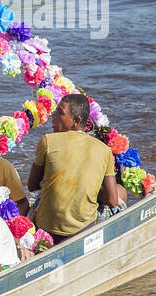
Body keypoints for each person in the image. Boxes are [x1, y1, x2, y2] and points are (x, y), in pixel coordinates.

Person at [28, 94, 123, 242]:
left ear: (76, 121)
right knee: (120, 192)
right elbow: (112, 200)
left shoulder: (47, 141)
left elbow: (32, 185)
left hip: (46, 228)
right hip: (83, 229)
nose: (53, 116)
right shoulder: (104, 150)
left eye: (60, 113)